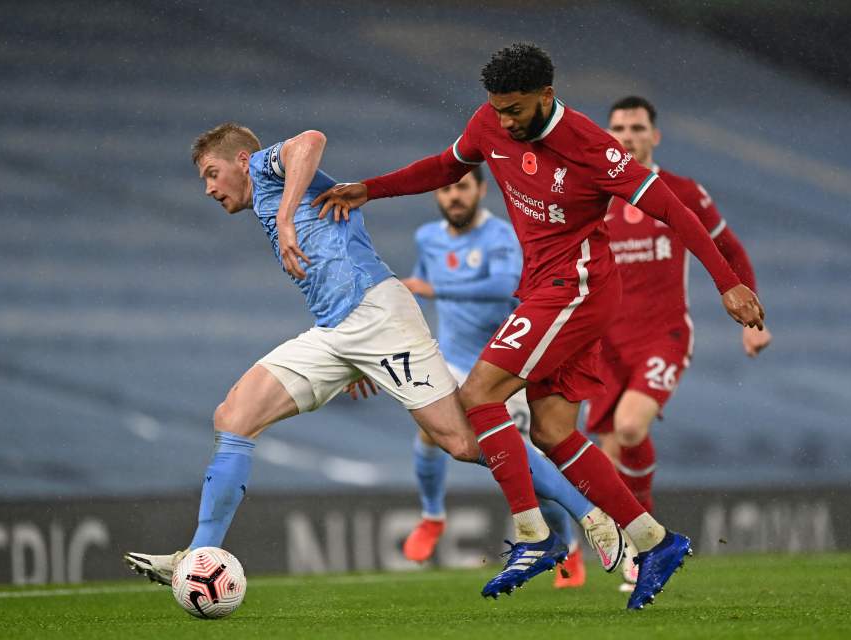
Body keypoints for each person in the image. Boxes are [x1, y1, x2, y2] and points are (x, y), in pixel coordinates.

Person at [314, 42, 766, 609]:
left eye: (516, 109)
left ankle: (535, 533)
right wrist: (372, 188)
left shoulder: (590, 145)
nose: (504, 120)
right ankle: (655, 541)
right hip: (545, 288)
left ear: (546, 96)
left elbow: (673, 209)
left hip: (578, 286)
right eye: (498, 109)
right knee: (552, 431)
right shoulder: (489, 122)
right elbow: (446, 164)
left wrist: (728, 282)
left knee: (478, 395)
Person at [123, 123, 623, 597]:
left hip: (378, 315)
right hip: (337, 331)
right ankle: (201, 552)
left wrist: (284, 213)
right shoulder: (267, 196)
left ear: (241, 159)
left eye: (212, 173)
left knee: (464, 442)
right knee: (233, 416)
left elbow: (310, 140)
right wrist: (354, 361)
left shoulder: (265, 168)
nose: (209, 188)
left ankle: (593, 518)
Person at [589, 96, 772, 589]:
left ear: (655, 136)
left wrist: (750, 320)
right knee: (603, 460)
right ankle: (639, 551)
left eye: (637, 127)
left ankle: (651, 542)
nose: (627, 135)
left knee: (629, 428)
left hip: (662, 334)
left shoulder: (681, 192)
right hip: (604, 343)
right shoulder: (595, 196)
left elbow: (729, 248)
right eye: (619, 128)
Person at [396, 167, 598, 587]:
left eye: (462, 187)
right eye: (446, 188)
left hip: (503, 368)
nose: (454, 196)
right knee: (429, 434)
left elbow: (506, 285)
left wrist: (439, 290)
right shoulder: (427, 238)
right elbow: (418, 285)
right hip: (451, 362)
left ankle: (570, 547)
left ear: (481, 190)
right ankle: (432, 517)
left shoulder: (502, 236)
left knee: (528, 465)